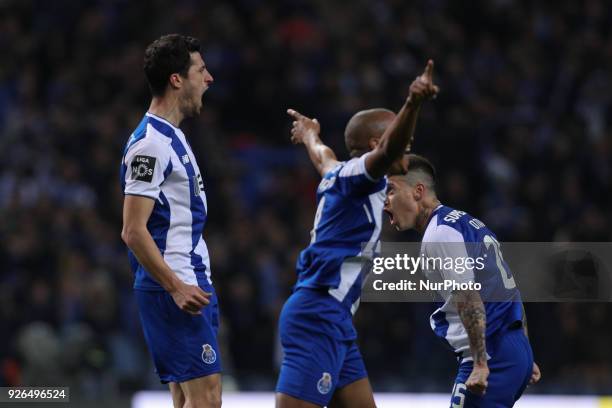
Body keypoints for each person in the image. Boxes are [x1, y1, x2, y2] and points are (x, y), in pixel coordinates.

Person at [275, 61, 439, 408]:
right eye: (403, 145)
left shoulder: (338, 173)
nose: (406, 153)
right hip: (318, 314)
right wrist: (413, 102)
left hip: (336, 320)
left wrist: (308, 134)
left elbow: (322, 156)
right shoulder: (360, 179)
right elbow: (388, 152)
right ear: (378, 143)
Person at [383, 155, 542, 407]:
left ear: (418, 191)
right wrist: (524, 349)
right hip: (511, 349)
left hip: (491, 355)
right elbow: (508, 288)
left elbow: (467, 296)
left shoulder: (440, 234)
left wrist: (480, 364)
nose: (385, 202)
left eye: (390, 190)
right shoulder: (465, 222)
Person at [120, 34, 220, 408]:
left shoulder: (172, 136)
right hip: (175, 287)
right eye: (201, 70)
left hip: (192, 281)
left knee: (187, 399)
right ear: (177, 80)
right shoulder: (149, 145)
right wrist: (176, 286)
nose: (209, 78)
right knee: (206, 399)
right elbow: (133, 230)